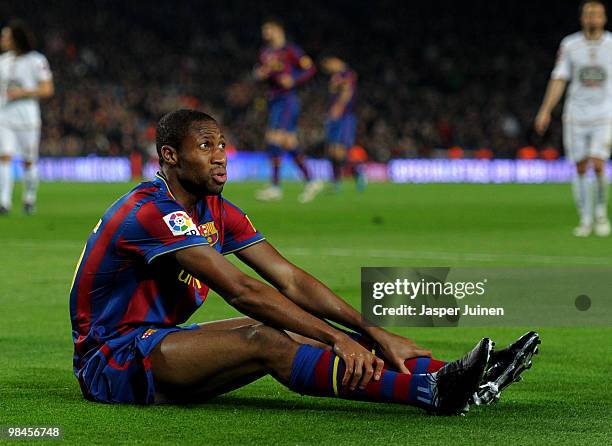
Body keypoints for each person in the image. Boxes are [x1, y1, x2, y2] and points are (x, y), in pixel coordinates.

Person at [69, 109, 539, 413]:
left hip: (159, 340)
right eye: (206, 146)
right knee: (264, 336)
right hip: (113, 360)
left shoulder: (214, 209)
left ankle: (463, 371)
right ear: (169, 155)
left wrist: (371, 330)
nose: (220, 157)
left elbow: (289, 280)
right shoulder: (151, 211)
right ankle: (432, 392)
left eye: (222, 145)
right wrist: (337, 339)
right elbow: (244, 290)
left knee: (294, 327)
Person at [535, 0, 612, 237]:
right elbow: (559, 78)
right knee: (580, 166)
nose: (592, 18)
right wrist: (545, 109)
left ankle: (600, 213)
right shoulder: (570, 45)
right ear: (582, 18)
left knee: (598, 163)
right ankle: (585, 218)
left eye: (597, 14)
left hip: (604, 114)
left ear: (604, 18)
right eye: (588, 14)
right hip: (576, 115)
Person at [253, 18, 323, 203]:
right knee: (288, 143)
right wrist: (260, 75)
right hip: (274, 99)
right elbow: (262, 73)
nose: (265, 34)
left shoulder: (290, 50)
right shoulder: (265, 53)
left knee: (273, 138)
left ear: (278, 30)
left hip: (287, 99)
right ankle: (311, 180)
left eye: (268, 30)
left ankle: (275, 186)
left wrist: (294, 79)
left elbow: (309, 68)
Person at [0, 19, 54, 215]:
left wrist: (22, 93)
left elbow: (47, 89)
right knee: (4, 157)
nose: (3, 39)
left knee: (29, 161)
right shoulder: (2, 61)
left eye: (6, 36)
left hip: (28, 119)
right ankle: (3, 202)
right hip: (4, 117)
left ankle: (29, 199)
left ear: (16, 39)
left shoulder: (36, 60)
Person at [321, 55, 365, 192]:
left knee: (340, 151)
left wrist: (338, 108)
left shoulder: (348, 74)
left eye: (328, 65)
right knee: (331, 151)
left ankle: (358, 174)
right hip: (333, 117)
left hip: (345, 117)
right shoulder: (335, 77)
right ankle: (336, 183)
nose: (327, 69)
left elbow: (347, 92)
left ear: (335, 60)